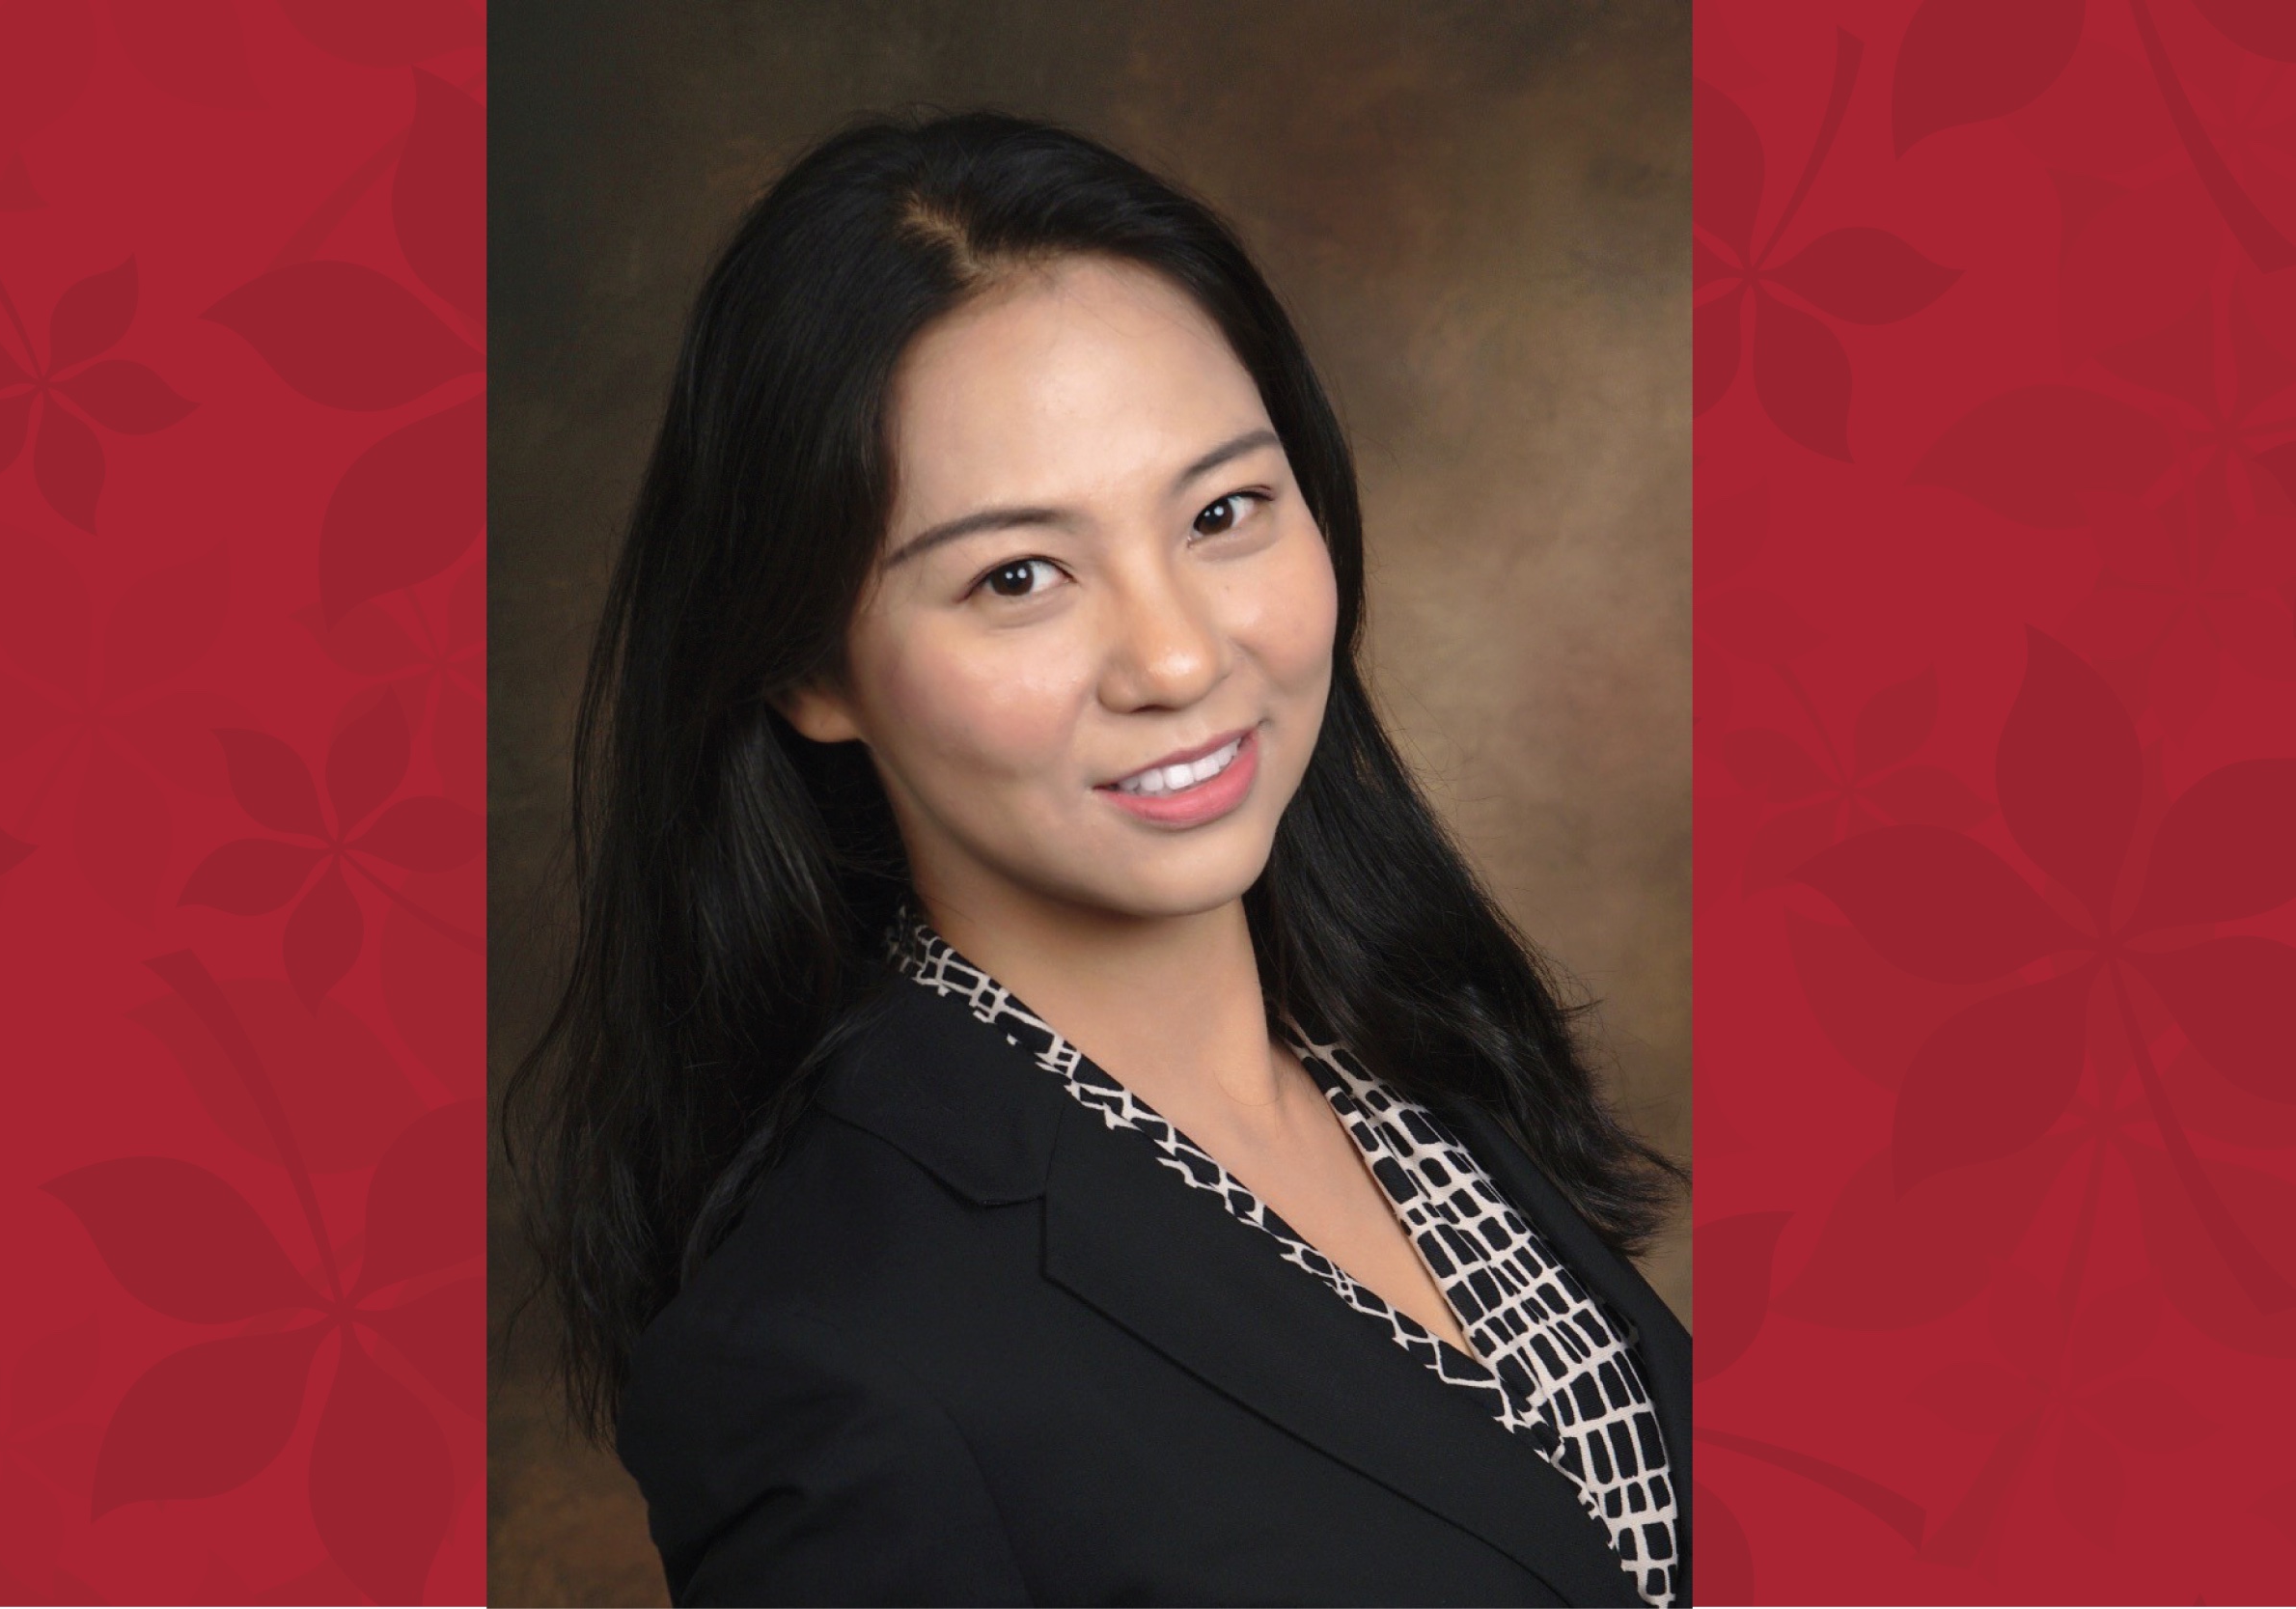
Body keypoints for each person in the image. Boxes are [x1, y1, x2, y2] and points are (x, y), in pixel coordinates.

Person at [504, 108, 1690, 1607]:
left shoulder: (1421, 1054)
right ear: (807, 663)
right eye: (1018, 576)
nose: (1181, 654)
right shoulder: (826, 1358)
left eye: (1223, 511)